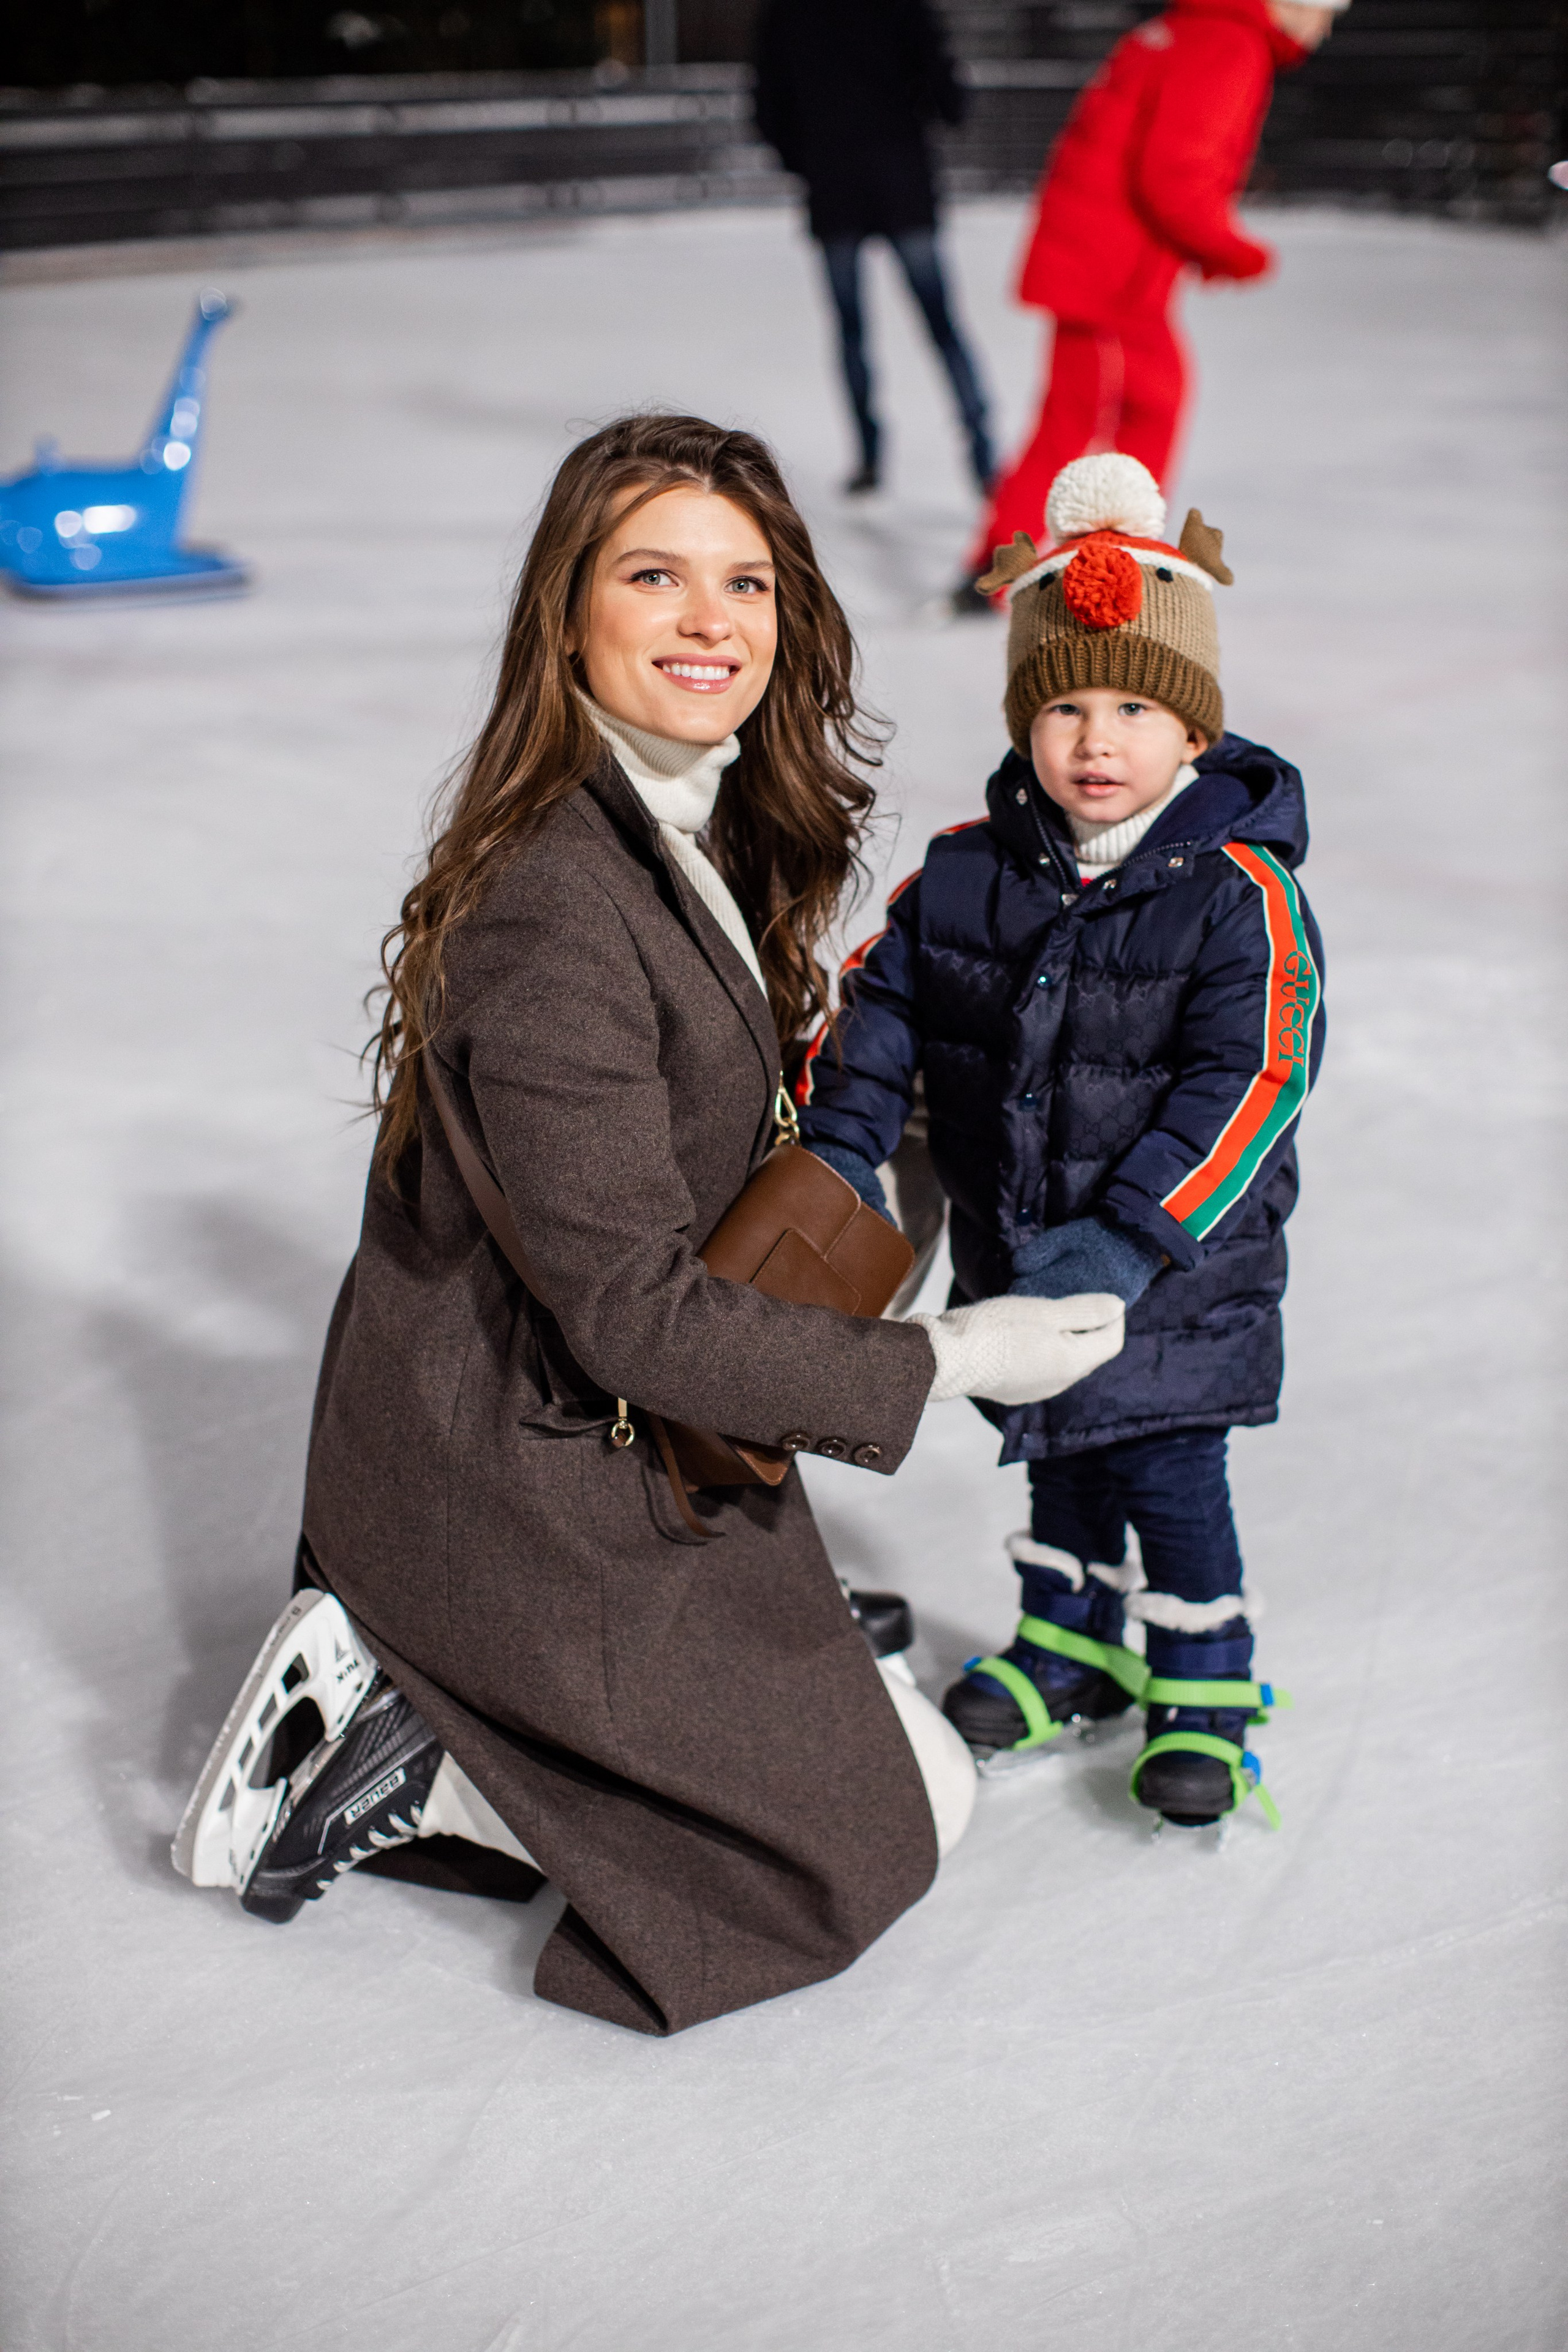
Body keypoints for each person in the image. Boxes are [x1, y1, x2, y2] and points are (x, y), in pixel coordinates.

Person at [172, 415, 1131, 2034]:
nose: (712, 619)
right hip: (526, 1464)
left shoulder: (688, 822)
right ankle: (396, 1744)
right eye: (654, 575)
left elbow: (744, 1136)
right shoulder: (557, 907)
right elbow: (630, 1317)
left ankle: (607, 1704)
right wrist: (954, 1355)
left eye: (746, 580)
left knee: (874, 1748)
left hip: (621, 1418)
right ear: (567, 615)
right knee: (890, 1832)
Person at [800, 450, 1325, 1829]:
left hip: (1173, 1273)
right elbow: (879, 1017)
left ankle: (1203, 1680)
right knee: (1056, 1452)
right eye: (1066, 706)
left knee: (1161, 1466)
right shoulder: (964, 873)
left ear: (1193, 733)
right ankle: (1072, 1644)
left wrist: (1131, 1236)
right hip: (1022, 1249)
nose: (1097, 739)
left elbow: (1253, 1077)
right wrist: (836, 1153)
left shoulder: (1236, 896)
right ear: (1024, 718)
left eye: (1135, 708)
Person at [955, 0, 1345, 610]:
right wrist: (1233, 251)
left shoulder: (1191, 29)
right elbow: (1174, 173)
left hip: (1104, 260)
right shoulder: (1231, 46)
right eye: (1322, 11)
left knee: (1136, 404)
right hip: (1111, 273)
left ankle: (1066, 562)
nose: (1323, 29)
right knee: (1094, 417)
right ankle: (1042, 568)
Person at [753, 0, 995, 497]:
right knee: (941, 323)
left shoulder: (787, 12)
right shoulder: (904, 8)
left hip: (834, 184)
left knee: (852, 331)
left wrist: (811, 159)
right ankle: (983, 453)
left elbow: (767, 107)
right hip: (901, 182)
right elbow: (950, 98)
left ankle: (869, 455)